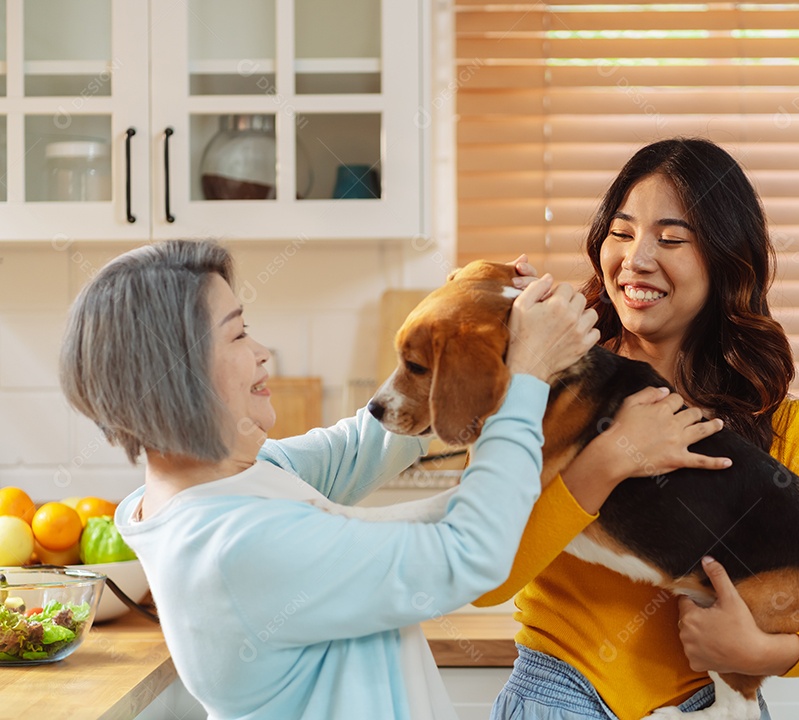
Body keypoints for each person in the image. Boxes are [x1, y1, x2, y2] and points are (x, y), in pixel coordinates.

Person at [57, 239, 603, 720]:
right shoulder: (235, 547)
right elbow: (470, 552)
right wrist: (527, 375)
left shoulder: (229, 481)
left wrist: (471, 332)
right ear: (177, 373)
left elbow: (361, 446)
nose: (262, 352)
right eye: (238, 334)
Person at [478, 138, 799, 719]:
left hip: (715, 707)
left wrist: (764, 651)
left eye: (672, 239)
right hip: (560, 699)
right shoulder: (544, 387)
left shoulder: (774, 426)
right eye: (622, 231)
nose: (636, 259)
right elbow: (483, 578)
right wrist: (612, 458)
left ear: (725, 262)